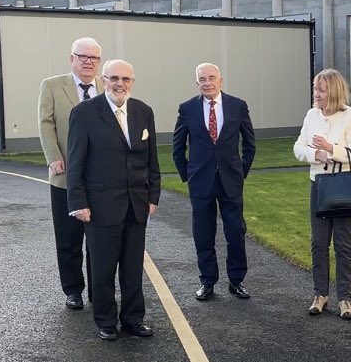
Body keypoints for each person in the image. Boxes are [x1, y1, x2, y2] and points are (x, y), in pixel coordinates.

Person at [66, 59, 161, 341]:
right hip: (99, 206)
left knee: (133, 268)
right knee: (103, 268)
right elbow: (75, 162)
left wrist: (153, 195)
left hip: (136, 204)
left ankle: (133, 318)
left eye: (126, 79)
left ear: (133, 82)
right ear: (103, 80)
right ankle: (106, 320)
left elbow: (151, 159)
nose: (120, 84)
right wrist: (77, 202)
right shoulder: (84, 113)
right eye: (114, 78)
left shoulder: (144, 111)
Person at [172, 62, 256, 301]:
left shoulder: (237, 106)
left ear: (220, 80)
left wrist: (241, 172)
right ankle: (207, 281)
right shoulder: (187, 109)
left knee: (235, 232)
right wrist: (188, 175)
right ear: (196, 83)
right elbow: (178, 148)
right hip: (201, 182)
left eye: (211, 78)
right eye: (202, 79)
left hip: (231, 181)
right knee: (203, 233)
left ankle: (236, 280)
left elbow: (249, 145)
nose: (207, 83)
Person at [293, 68, 351, 320]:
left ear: (333, 91)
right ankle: (320, 295)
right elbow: (298, 147)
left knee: (344, 246)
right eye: (315, 88)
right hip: (319, 186)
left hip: (345, 187)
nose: (316, 93)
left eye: (321, 89)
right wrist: (315, 155)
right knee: (318, 243)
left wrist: (329, 149)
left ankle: (345, 298)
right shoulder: (312, 115)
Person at [38, 37, 103, 310]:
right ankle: (73, 290)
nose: (88, 62)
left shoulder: (106, 86)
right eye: (82, 56)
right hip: (65, 177)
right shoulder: (52, 85)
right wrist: (54, 158)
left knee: (99, 240)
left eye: (93, 58)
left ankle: (98, 291)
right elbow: (45, 122)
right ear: (71, 58)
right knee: (68, 238)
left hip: (100, 179)